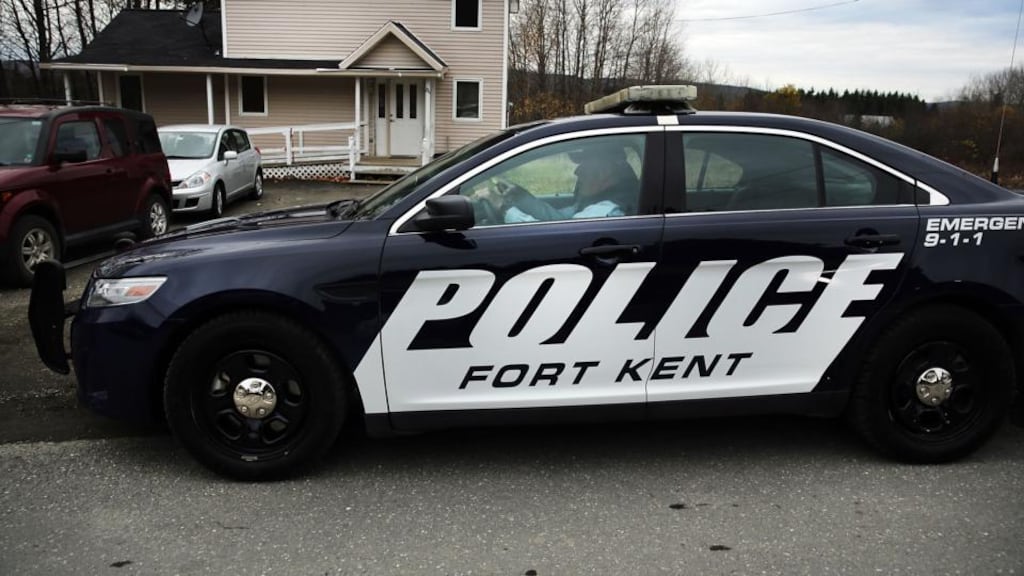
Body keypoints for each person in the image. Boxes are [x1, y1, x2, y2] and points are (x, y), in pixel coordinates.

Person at [477, 145, 639, 224]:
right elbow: (558, 218)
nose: (577, 173)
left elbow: (544, 235)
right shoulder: (594, 202)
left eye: (585, 167)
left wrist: (503, 208)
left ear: (605, 173)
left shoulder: (606, 212)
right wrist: (521, 196)